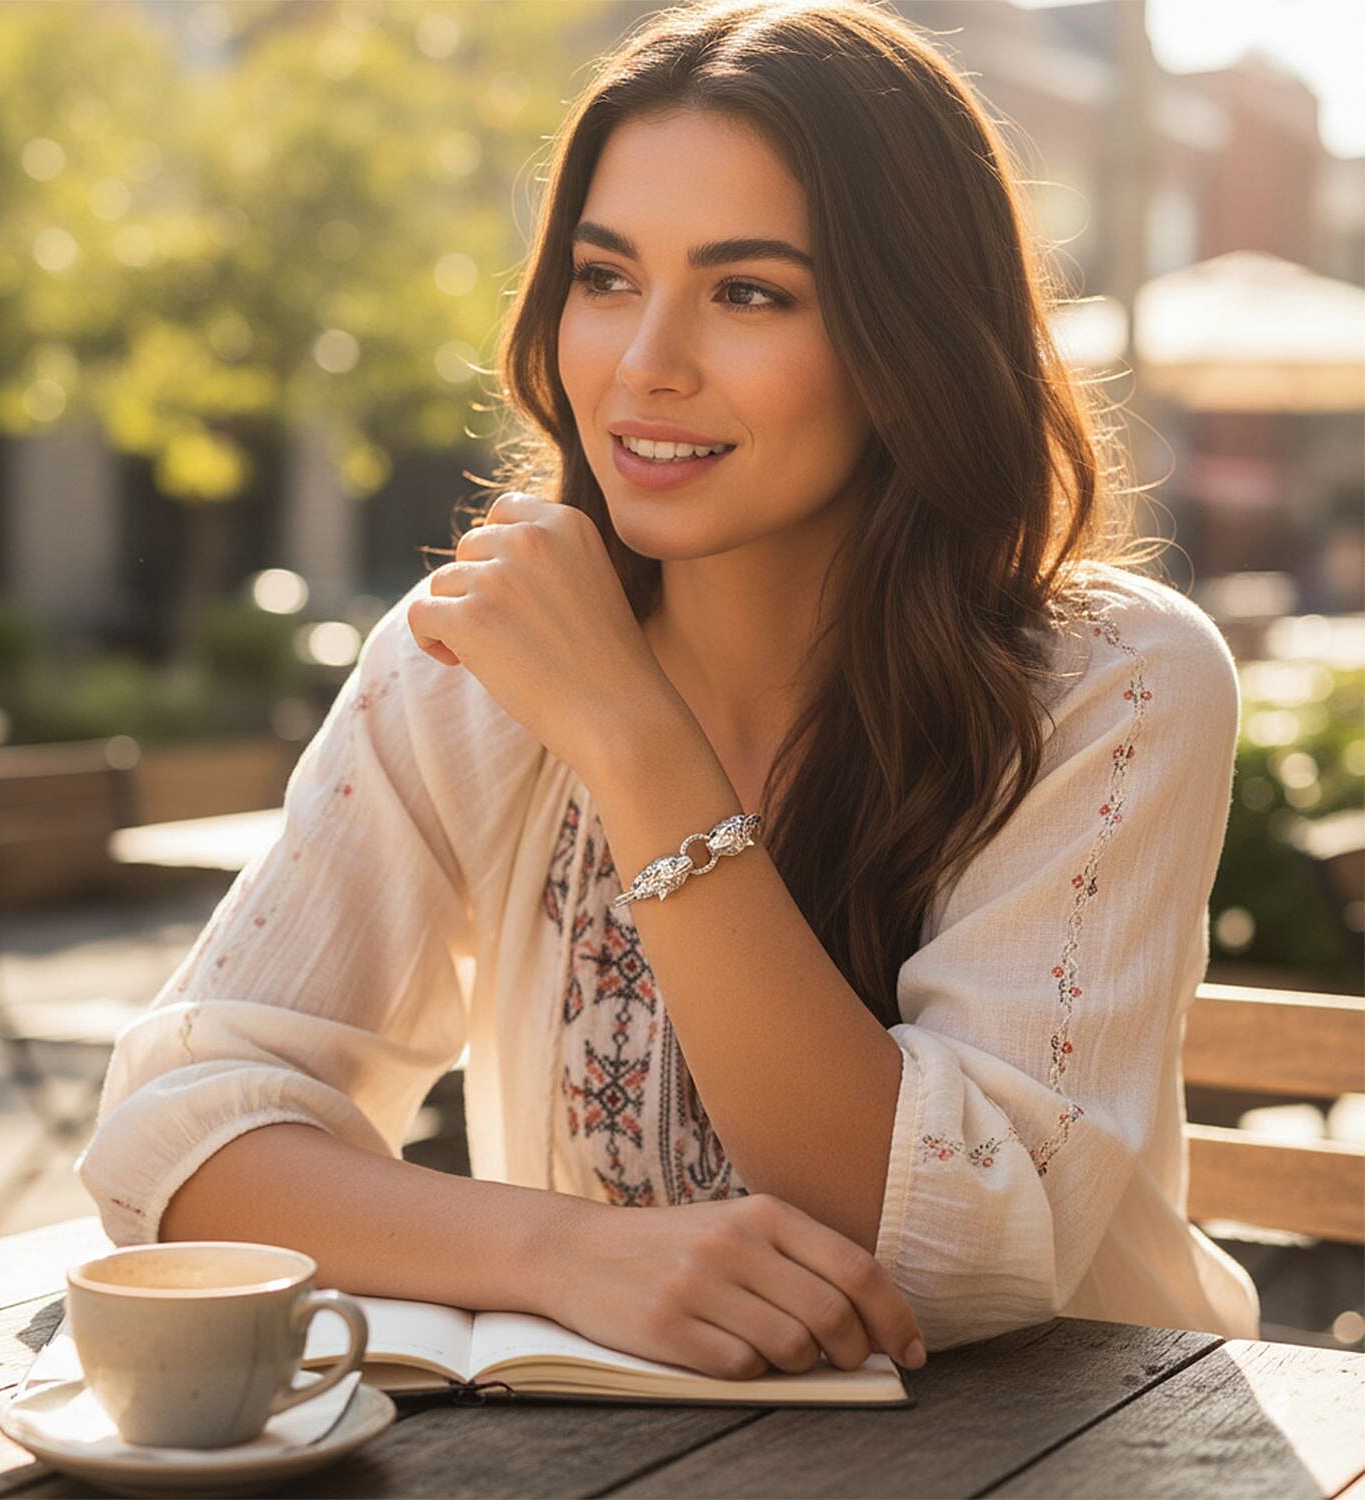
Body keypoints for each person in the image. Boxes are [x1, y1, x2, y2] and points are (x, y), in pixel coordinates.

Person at [77, 0, 1260, 1377]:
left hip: (1086, 1456)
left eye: (750, 291)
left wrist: (632, 740)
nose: (645, 365)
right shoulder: (470, 656)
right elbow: (172, 1138)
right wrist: (561, 1254)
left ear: (910, 343)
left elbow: (949, 1259)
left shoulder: (1111, 686)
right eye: (606, 276)